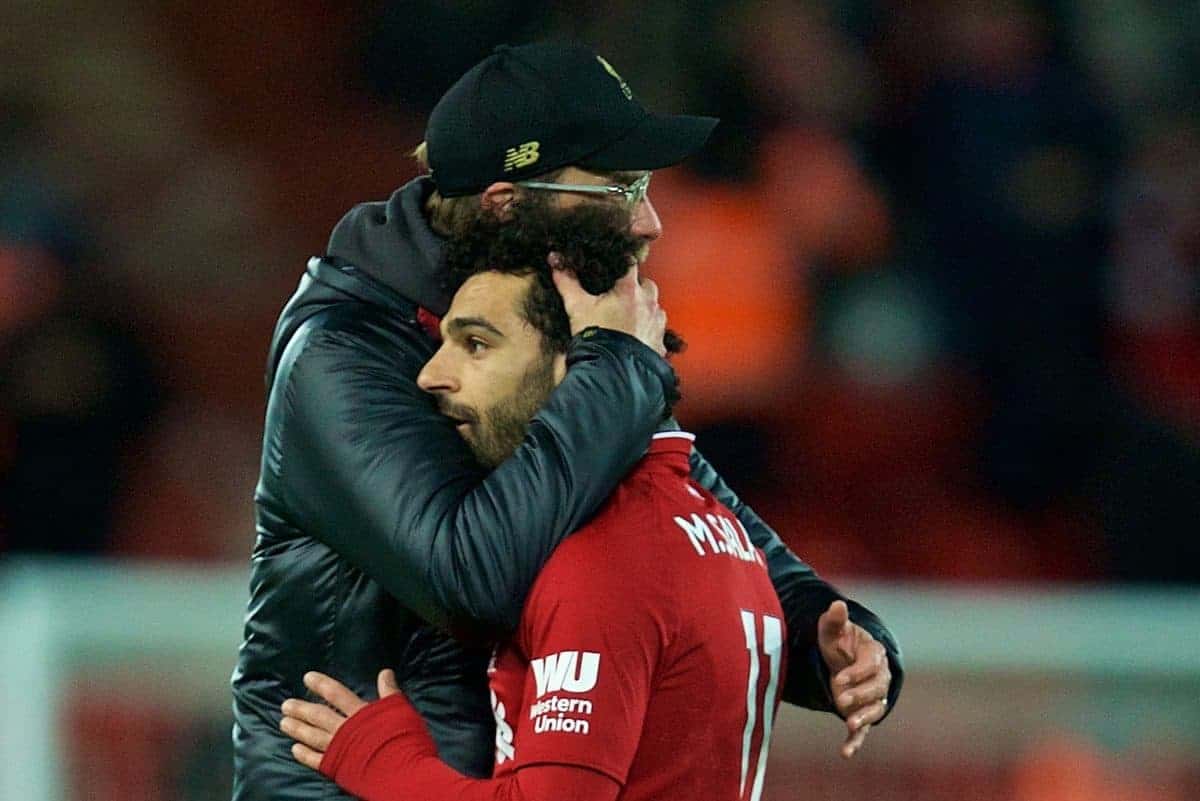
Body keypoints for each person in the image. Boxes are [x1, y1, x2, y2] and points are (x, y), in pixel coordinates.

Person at [232, 41, 902, 801]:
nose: (647, 223)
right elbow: (468, 579)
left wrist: (830, 640)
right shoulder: (342, 355)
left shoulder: (565, 336)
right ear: (505, 204)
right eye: (617, 190)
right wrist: (617, 365)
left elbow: (693, 522)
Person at [278, 209, 790, 801]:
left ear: (574, 363)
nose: (430, 375)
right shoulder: (715, 525)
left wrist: (387, 763)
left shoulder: (607, 559)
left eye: (475, 344)